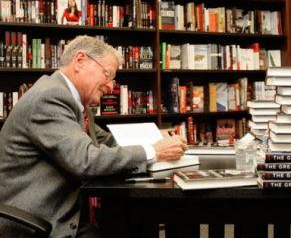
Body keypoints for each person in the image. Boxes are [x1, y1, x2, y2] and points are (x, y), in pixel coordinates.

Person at [0, 35, 188, 238]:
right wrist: (154, 151)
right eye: (108, 74)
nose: (111, 87)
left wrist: (154, 139)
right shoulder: (50, 98)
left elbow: (106, 141)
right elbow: (85, 159)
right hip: (35, 223)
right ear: (80, 61)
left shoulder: (75, 100)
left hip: (58, 213)